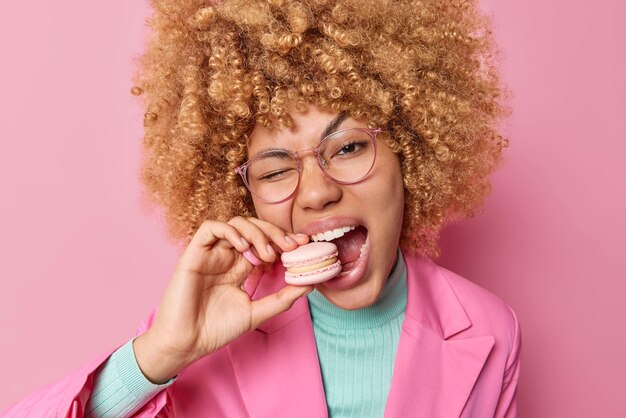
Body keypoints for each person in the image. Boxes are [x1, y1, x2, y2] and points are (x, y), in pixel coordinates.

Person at [3, 0, 520, 417]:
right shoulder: (205, 325)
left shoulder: (490, 329)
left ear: (409, 151)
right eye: (274, 171)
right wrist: (161, 354)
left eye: (348, 148)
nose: (316, 193)